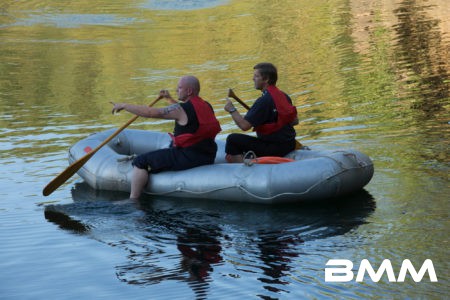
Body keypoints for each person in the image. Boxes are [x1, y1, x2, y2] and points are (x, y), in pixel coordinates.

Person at [111, 75, 221, 199]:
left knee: (140, 161)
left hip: (188, 156)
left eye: (179, 88)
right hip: (208, 154)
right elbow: (184, 111)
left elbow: (151, 112)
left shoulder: (181, 109)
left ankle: (133, 201)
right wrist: (169, 99)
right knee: (169, 147)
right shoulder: (206, 105)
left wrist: (125, 106)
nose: (176, 90)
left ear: (189, 91)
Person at [224, 63, 298, 163]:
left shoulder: (263, 101)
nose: (253, 79)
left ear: (266, 79)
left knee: (232, 139)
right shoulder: (283, 95)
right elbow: (295, 121)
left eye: (256, 76)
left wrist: (232, 109)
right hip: (289, 144)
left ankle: (244, 172)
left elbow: (244, 126)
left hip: (275, 148)